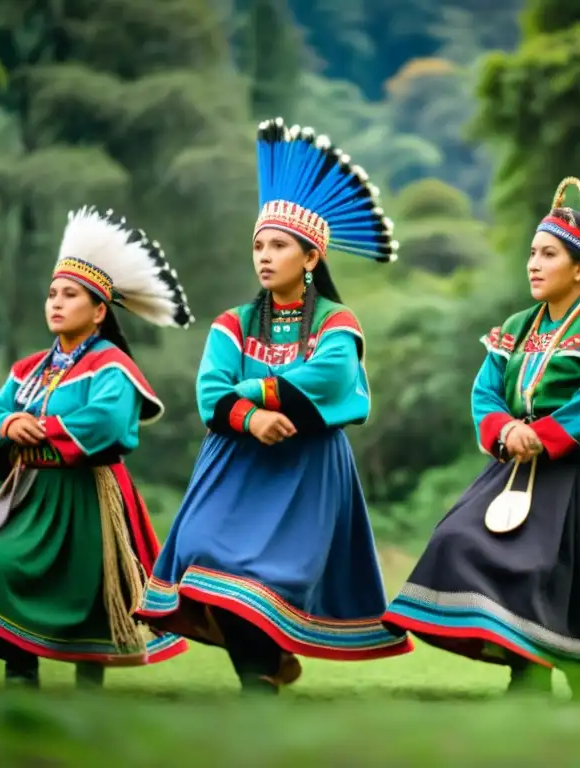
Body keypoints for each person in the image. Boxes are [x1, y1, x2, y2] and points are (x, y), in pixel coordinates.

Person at [382, 177, 580, 701]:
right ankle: (525, 674)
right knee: (460, 537)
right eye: (531, 253)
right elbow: (485, 391)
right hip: (514, 467)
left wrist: (541, 436)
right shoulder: (517, 327)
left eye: (548, 254)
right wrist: (505, 430)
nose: (534, 263)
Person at [136, 118, 413, 695]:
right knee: (202, 553)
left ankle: (258, 679)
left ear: (311, 257)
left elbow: (332, 374)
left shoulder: (336, 321)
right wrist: (251, 414)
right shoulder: (232, 322)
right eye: (258, 244)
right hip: (233, 464)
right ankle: (264, 668)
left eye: (279, 245)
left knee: (269, 575)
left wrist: (254, 390)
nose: (264, 255)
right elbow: (210, 389)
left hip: (306, 469)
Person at [0, 207, 194, 687]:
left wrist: (36, 426)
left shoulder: (112, 365)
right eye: (52, 294)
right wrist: (8, 427)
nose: (56, 304)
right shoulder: (27, 369)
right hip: (30, 494)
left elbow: (106, 421)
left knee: (89, 590)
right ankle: (20, 675)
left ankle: (90, 688)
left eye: (70, 295)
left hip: (88, 496)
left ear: (99, 310)